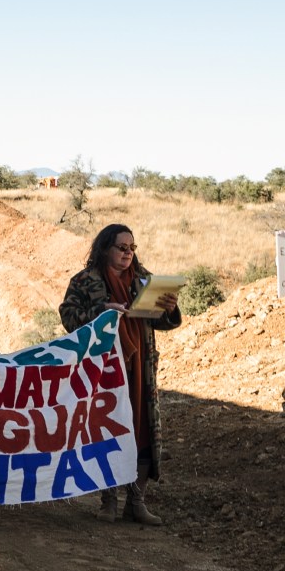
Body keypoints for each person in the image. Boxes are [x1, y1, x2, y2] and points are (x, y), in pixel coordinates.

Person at [59, 223, 181, 525]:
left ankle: (136, 503)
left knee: (142, 430)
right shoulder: (84, 281)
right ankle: (109, 500)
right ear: (105, 248)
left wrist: (169, 308)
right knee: (107, 429)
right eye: (122, 247)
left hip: (141, 369)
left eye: (132, 248)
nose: (128, 254)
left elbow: (161, 323)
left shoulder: (144, 281)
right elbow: (69, 318)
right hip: (104, 371)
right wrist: (102, 312)